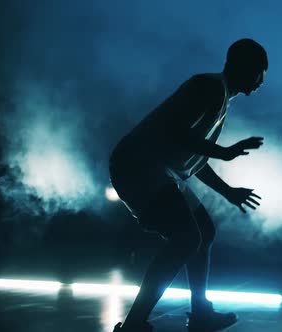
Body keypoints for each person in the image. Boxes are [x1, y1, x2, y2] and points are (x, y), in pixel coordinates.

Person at [109, 38, 268, 332]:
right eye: (260, 71)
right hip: (139, 165)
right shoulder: (208, 87)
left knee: (203, 232)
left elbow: (193, 156)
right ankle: (133, 324)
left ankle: (200, 315)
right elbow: (176, 134)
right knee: (187, 238)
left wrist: (229, 192)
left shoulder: (219, 96)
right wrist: (225, 152)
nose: (262, 80)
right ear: (245, 68)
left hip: (159, 168)